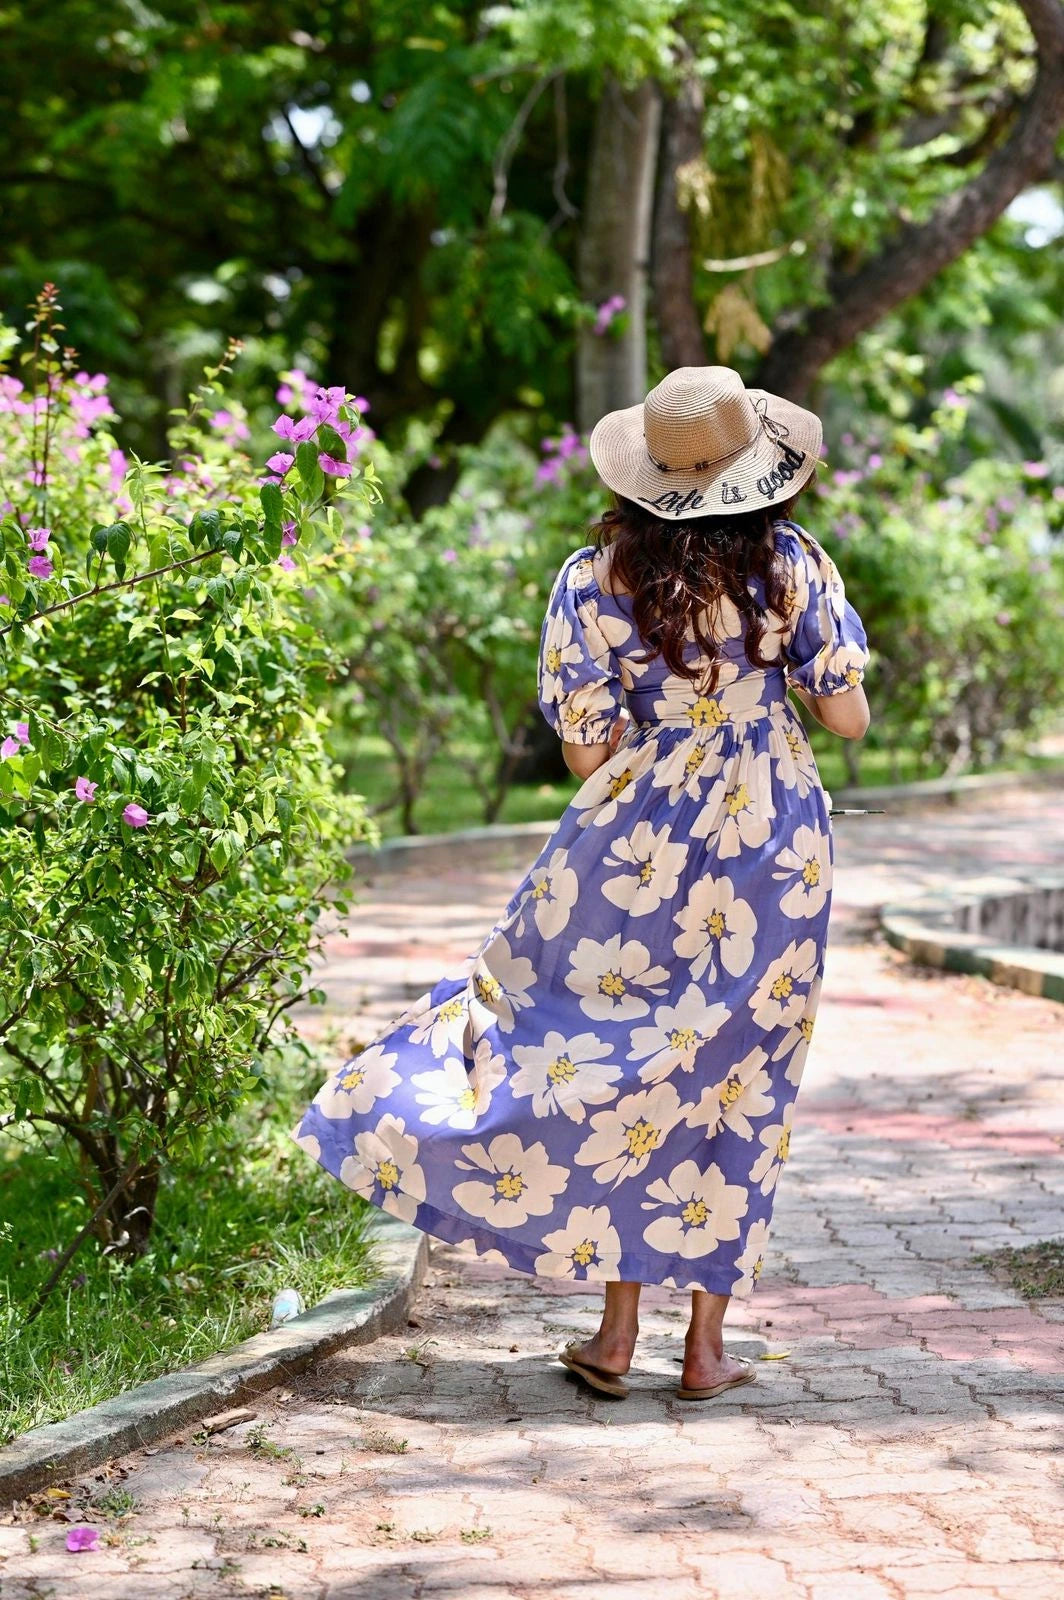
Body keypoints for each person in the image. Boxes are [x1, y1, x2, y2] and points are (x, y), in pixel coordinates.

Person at [292, 366, 870, 1402]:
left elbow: (584, 751)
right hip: (770, 850)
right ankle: (702, 1353)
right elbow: (845, 719)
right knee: (734, 1087)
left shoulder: (588, 577)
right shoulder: (792, 565)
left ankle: (612, 1334)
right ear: (757, 469)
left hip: (633, 845)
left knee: (607, 1057)